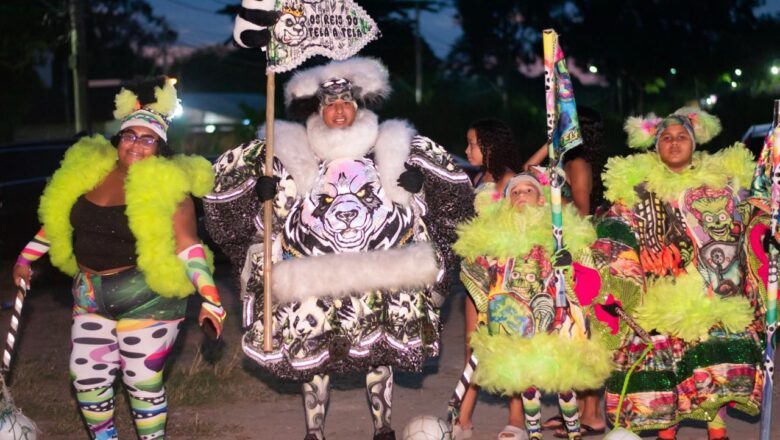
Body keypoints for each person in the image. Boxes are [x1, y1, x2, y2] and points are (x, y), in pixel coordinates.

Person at [202, 57, 474, 440]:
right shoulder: (290, 153)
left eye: (347, 102)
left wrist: (418, 186)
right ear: (318, 110)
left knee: (380, 353)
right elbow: (265, 212)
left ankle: (383, 428)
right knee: (315, 360)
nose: (340, 110)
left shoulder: (390, 146)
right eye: (331, 104)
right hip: (314, 275)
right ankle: (314, 432)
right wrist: (263, 193)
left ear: (358, 106)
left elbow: (443, 198)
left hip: (378, 272)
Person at [11, 78, 224, 440]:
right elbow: (58, 221)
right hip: (90, 295)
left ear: (161, 147)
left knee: (142, 382)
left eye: (148, 139)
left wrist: (211, 298)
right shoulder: (89, 175)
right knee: (87, 381)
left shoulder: (170, 188)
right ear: (118, 138)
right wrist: (24, 259)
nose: (136, 145)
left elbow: (188, 246)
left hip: (148, 298)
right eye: (130, 135)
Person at [601, 107, 764, 440]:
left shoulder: (722, 182)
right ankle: (667, 433)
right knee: (669, 367)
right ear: (655, 145)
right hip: (659, 293)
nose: (674, 143)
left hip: (713, 291)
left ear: (694, 142)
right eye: (666, 138)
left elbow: (747, 221)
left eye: (681, 137)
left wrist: (763, 219)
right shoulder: (635, 187)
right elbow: (615, 230)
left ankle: (717, 431)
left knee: (712, 363)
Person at [455, 168, 637, 440]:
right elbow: (478, 272)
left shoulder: (560, 232)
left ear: (542, 199)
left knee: (564, 383)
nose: (521, 195)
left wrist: (569, 263)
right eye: (515, 192)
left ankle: (574, 433)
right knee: (528, 385)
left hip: (557, 321)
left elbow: (589, 274)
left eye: (528, 190)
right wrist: (485, 289)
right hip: (519, 324)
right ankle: (534, 434)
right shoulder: (498, 237)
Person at [522, 107, 607, 433]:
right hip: (563, 249)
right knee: (570, 332)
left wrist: (553, 194)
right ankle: (579, 410)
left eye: (561, 127)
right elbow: (528, 170)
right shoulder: (565, 162)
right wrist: (549, 146)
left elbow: (583, 211)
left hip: (580, 250)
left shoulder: (578, 164)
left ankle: (592, 414)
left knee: (582, 331)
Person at [455, 119, 525, 440]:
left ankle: (517, 419)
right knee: (473, 347)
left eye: (472, 143)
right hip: (476, 276)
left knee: (509, 348)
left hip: (504, 277)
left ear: (490, 146)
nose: (467, 149)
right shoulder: (480, 178)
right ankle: (463, 418)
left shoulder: (510, 180)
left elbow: (519, 228)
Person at [522, 106, 605, 216]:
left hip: (569, 226)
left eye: (563, 124)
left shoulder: (578, 164)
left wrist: (548, 187)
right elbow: (526, 171)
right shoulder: (565, 159)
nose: (558, 128)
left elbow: (582, 213)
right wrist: (551, 142)